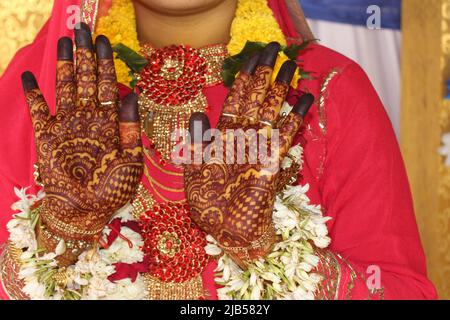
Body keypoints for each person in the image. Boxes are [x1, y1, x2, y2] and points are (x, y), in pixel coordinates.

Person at [0, 0, 437, 300]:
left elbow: (400, 290)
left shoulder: (324, 92)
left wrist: (268, 252)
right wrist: (59, 234)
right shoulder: (47, 95)